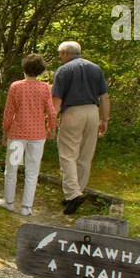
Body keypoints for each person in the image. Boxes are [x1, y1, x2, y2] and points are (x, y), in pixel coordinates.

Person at [51, 40, 110, 215]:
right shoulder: (95, 68)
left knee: (68, 154)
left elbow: (57, 100)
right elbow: (105, 97)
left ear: (65, 54)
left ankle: (73, 194)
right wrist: (105, 119)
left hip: (73, 112)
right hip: (93, 111)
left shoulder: (63, 71)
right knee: (86, 154)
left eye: (60, 54)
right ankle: (76, 191)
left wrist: (52, 121)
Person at [0, 53, 57, 217]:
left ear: (24, 68)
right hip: (37, 135)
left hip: (17, 134)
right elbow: (51, 112)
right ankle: (26, 207)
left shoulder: (16, 86)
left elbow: (9, 112)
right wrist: (52, 128)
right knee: (32, 170)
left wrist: (5, 130)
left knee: (12, 168)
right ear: (41, 70)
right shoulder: (45, 88)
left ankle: (9, 202)